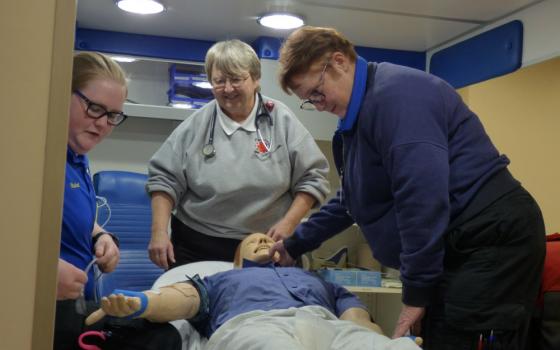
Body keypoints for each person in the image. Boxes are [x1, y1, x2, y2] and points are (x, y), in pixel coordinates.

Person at [269, 26, 546, 350]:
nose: (317, 105)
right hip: (460, 240)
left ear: (340, 62)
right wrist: (296, 243)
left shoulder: (396, 97)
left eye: (316, 92)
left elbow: (422, 199)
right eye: (308, 101)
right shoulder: (361, 117)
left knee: (454, 337)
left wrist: (415, 292)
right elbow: (354, 198)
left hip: (492, 236)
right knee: (436, 335)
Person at [146, 39, 329, 269]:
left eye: (236, 79)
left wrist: (289, 223)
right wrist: (159, 232)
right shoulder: (196, 125)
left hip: (267, 244)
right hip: (198, 244)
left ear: (255, 79)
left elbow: (313, 177)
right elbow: (164, 180)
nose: (228, 89)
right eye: (219, 81)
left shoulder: (281, 120)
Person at [85, 233, 421, 350]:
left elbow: (357, 322)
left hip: (325, 326)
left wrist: (385, 343)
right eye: (254, 239)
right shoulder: (224, 280)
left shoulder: (318, 281)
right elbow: (182, 300)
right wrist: (140, 303)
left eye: (267, 238)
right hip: (254, 327)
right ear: (236, 258)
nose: (263, 239)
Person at [55, 51, 127, 349]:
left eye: (112, 115)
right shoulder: (36, 152)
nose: (102, 124)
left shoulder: (78, 155)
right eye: (94, 108)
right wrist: (40, 273)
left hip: (75, 305)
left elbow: (62, 212)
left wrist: (100, 235)